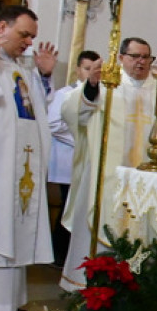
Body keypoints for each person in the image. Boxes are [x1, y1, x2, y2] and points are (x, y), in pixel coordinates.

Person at [60, 37, 157, 289]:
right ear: (121, 58)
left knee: (141, 234)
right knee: (97, 220)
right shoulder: (107, 85)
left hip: (143, 183)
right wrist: (91, 85)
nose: (141, 62)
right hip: (106, 177)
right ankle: (88, 291)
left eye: (146, 57)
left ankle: (134, 291)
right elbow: (72, 113)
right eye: (135, 56)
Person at [0, 5, 57, 311]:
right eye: (24, 34)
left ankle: (6, 304)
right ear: (2, 27)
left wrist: (44, 75)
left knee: (14, 224)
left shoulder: (16, 64)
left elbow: (34, 108)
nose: (28, 42)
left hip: (16, 165)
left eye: (32, 37)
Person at [47, 51, 100, 266]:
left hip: (87, 161)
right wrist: (80, 139)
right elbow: (54, 124)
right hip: (67, 161)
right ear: (78, 69)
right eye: (86, 68)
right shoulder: (65, 93)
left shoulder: (97, 94)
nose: (90, 73)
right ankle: (58, 253)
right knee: (68, 207)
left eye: (94, 69)